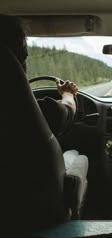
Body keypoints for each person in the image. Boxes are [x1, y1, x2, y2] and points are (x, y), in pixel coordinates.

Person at [0, 14, 88, 175]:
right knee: (75, 154)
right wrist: (68, 94)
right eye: (23, 56)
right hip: (33, 190)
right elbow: (66, 112)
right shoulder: (24, 111)